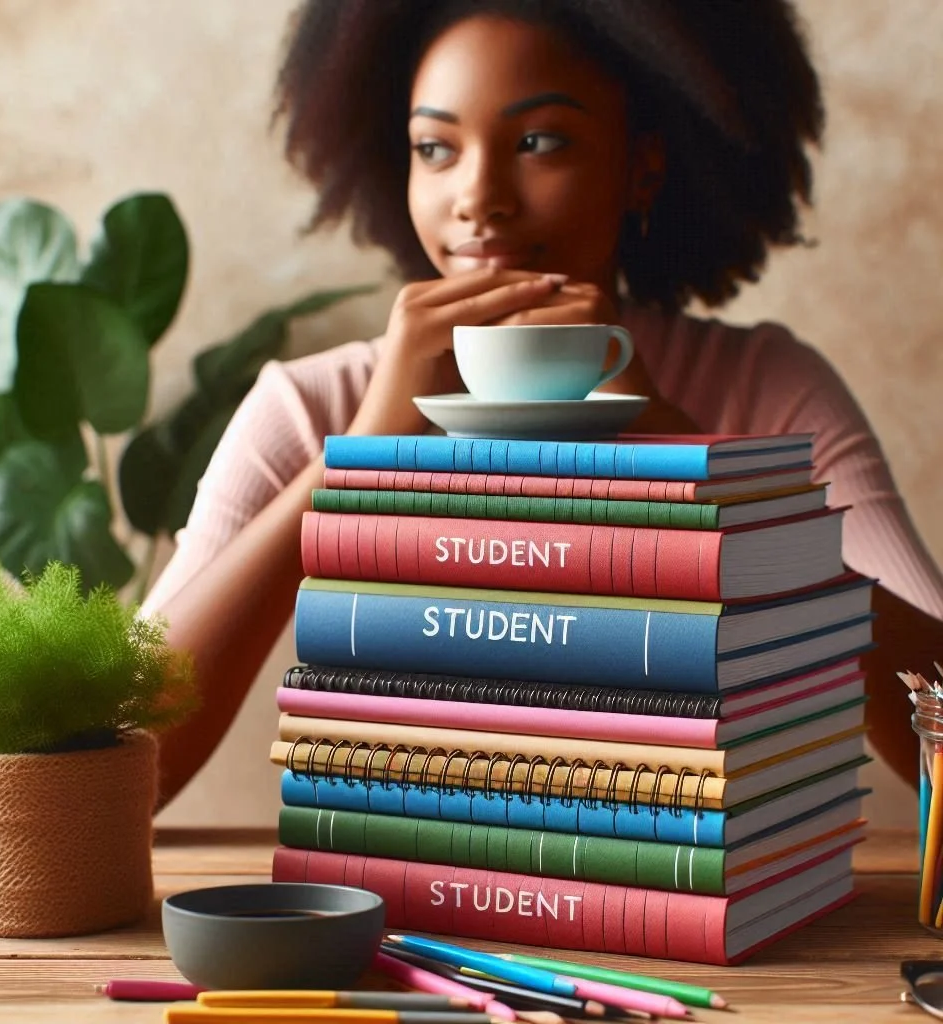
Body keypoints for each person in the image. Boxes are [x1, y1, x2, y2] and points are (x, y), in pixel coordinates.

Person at [143, 0, 943, 807]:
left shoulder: (766, 387)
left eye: (539, 142)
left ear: (643, 167)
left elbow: (934, 725)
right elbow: (100, 764)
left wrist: (697, 473)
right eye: (435, 148)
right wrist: (353, 461)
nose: (478, 195)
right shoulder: (317, 403)